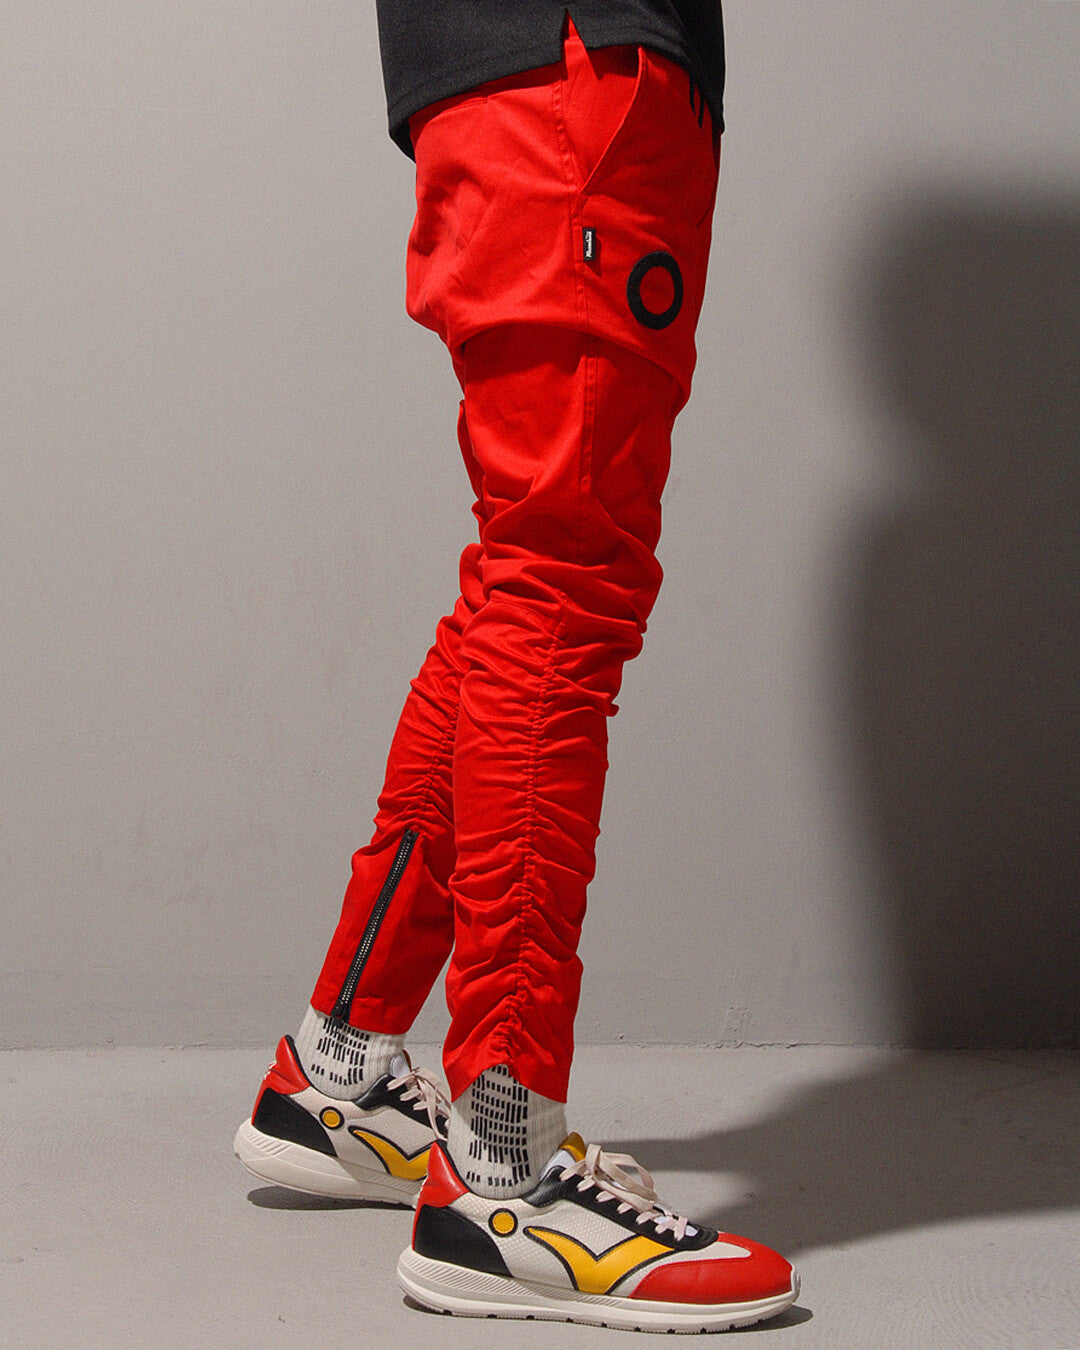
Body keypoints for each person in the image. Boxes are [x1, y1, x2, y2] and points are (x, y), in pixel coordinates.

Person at [234, 1, 798, 1332]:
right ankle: (505, 1173)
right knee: (558, 584)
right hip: (577, 68)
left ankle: (342, 1069)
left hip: (511, 73)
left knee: (524, 575)